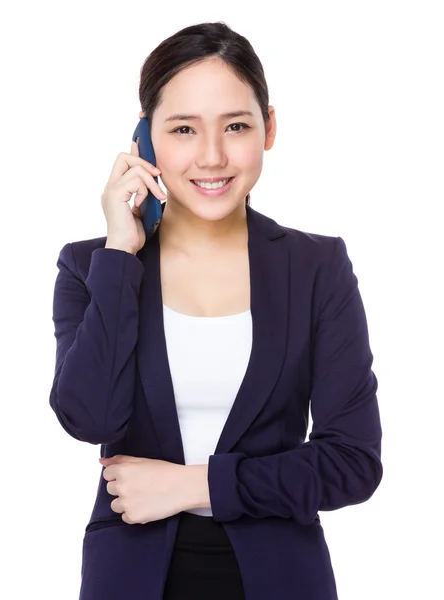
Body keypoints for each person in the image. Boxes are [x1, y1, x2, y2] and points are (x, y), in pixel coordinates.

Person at [49, 21, 383, 600]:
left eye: (236, 126)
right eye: (182, 128)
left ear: (269, 128)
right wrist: (121, 252)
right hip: (130, 578)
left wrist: (194, 486)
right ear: (145, 139)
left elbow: (352, 462)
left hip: (282, 578)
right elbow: (90, 419)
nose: (211, 156)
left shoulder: (316, 267)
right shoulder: (93, 265)